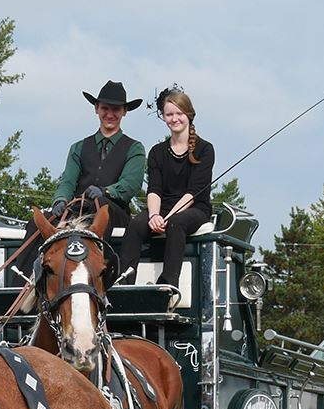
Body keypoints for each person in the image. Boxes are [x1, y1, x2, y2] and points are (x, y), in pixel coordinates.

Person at [116, 86, 214, 292]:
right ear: (163, 117)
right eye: (169, 114)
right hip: (161, 208)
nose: (174, 119)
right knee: (135, 225)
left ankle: (168, 285)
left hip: (194, 209)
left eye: (179, 113)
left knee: (176, 223)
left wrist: (168, 217)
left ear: (189, 115)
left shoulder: (205, 149)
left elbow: (193, 193)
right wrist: (153, 216)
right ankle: (123, 285)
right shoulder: (157, 152)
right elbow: (154, 189)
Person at [53, 80, 146, 231]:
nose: (110, 114)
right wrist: (60, 199)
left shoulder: (135, 149)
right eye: (105, 108)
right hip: (77, 211)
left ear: (124, 111)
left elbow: (130, 184)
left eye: (116, 109)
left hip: (115, 214)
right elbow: (68, 182)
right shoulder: (78, 148)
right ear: (96, 108)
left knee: (103, 205)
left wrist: (105, 191)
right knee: (38, 221)